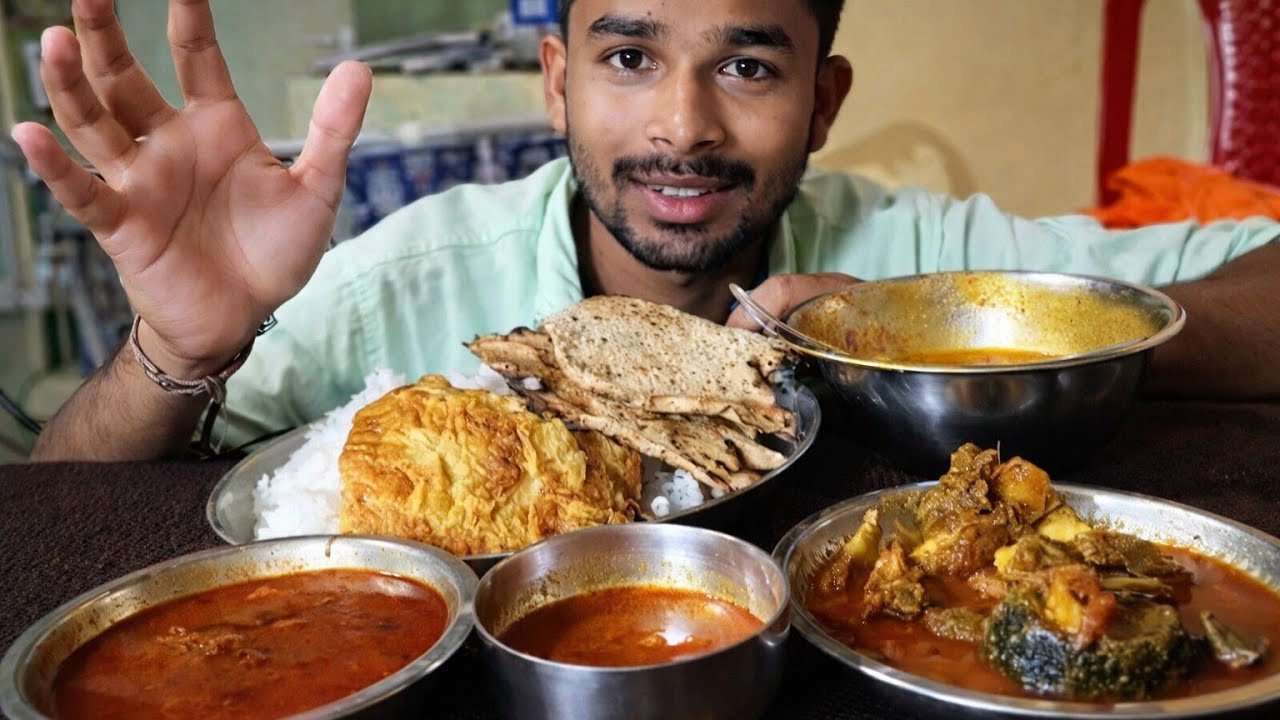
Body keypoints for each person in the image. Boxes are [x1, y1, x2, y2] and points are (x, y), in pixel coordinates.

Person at [17, 0, 1279, 462]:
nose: (681, 127)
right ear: (558, 82)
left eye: (745, 66)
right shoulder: (409, 278)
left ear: (821, 103)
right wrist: (174, 349)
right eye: (630, 56)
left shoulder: (916, 261)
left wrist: (951, 343)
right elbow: (69, 510)